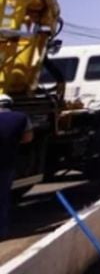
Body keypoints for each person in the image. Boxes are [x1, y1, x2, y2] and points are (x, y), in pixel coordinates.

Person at [0, 94, 32, 239]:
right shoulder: (21, 117)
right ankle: (2, 231)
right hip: (7, 164)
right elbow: (28, 138)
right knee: (3, 198)